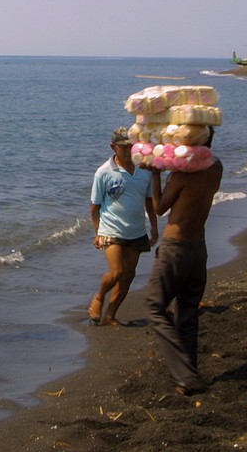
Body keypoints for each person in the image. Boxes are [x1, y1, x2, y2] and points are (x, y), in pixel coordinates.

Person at [145, 128, 224, 395]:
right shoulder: (216, 168)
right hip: (198, 248)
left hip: (175, 249)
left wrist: (155, 173)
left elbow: (160, 208)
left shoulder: (181, 176)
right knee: (187, 313)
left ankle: (184, 375)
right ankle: (190, 376)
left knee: (154, 307)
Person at [88, 127, 156, 326]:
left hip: (136, 230)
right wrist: (98, 232)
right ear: (113, 147)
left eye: (131, 146)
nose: (128, 151)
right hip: (111, 229)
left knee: (128, 275)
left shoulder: (144, 171)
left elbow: (149, 201)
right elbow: (95, 207)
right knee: (117, 271)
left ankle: (111, 315)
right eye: (123, 147)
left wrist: (154, 227)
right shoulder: (104, 172)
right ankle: (99, 297)